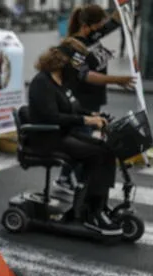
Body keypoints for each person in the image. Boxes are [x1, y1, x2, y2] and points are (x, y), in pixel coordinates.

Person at [27, 39, 121, 235]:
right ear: (64, 61)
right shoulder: (41, 83)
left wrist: (93, 115)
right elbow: (52, 116)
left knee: (107, 149)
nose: (80, 69)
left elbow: (74, 108)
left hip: (63, 134)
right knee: (96, 154)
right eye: (77, 64)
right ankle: (91, 212)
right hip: (47, 138)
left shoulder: (63, 82)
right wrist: (86, 121)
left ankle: (96, 206)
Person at [52, 4, 135, 194]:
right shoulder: (76, 45)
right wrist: (117, 80)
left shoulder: (92, 35)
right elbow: (84, 74)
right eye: (101, 23)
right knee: (82, 141)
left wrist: (122, 7)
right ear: (89, 25)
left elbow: (114, 21)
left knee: (85, 140)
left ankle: (76, 179)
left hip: (92, 98)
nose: (103, 26)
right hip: (81, 100)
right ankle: (65, 179)